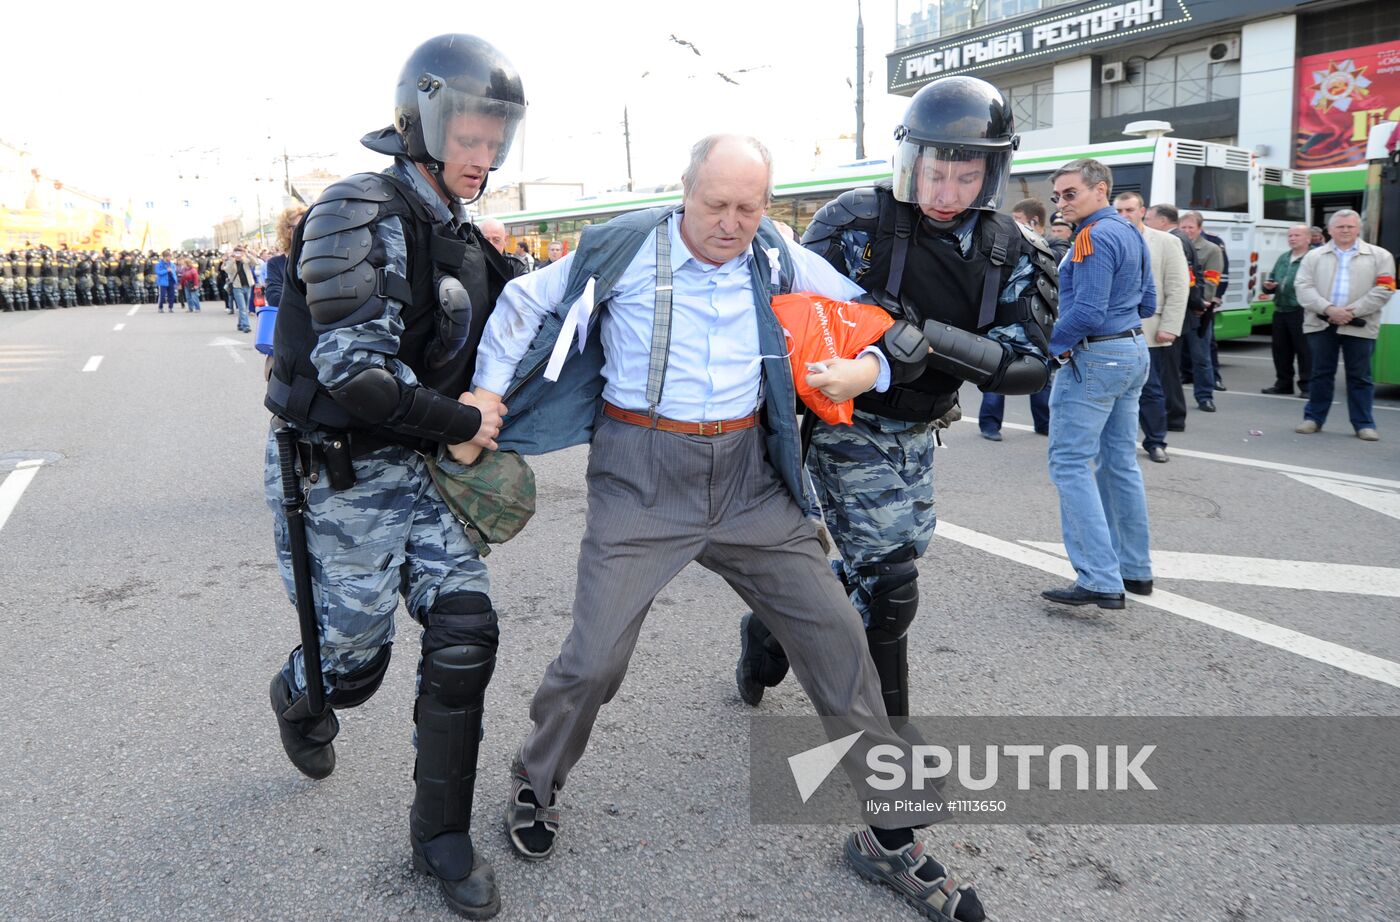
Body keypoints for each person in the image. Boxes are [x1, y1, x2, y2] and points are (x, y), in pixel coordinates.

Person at [469, 134, 987, 922]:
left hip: (749, 480)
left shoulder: (774, 251)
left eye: (749, 207)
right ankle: (535, 784)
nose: (731, 224)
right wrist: (484, 394)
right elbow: (521, 303)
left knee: (839, 639)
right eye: (716, 205)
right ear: (685, 192)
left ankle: (890, 837)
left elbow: (866, 318)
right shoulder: (624, 247)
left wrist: (869, 370)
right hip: (641, 479)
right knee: (594, 659)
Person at [263, 34, 524, 919]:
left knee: (466, 630)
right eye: (468, 135)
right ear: (421, 120)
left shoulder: (463, 234)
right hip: (341, 473)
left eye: (496, 139)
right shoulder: (353, 209)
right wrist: (463, 422)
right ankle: (303, 691)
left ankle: (440, 837)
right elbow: (353, 372)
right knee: (354, 666)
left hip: (426, 472)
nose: (481, 156)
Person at [737, 75, 1058, 737]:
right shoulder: (855, 223)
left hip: (920, 426)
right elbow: (789, 323)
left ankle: (771, 626)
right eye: (936, 174)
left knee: (894, 557)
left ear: (993, 172)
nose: (947, 195)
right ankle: (889, 740)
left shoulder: (1010, 246)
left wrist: (914, 342)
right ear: (911, 160)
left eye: (966, 178)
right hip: (846, 424)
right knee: (889, 585)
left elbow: (1028, 362)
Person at [1041, 158, 1155, 609]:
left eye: (1070, 194)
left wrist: (1048, 347)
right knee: (1120, 463)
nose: (1063, 203)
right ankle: (1134, 569)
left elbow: (1086, 311)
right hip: (1132, 349)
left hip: (1098, 354)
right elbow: (1146, 302)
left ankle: (1099, 577)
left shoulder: (1091, 236)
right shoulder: (1131, 231)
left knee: (1069, 463)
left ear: (1100, 190)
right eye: (1058, 196)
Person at [1294, 208, 1394, 441]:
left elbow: (1385, 289)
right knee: (1320, 373)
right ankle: (1313, 419)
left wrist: (1351, 312)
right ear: (1330, 230)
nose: (1345, 230)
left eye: (1350, 226)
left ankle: (1364, 424)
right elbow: (1303, 287)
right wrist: (1329, 309)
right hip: (1321, 323)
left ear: (1359, 229)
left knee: (1360, 376)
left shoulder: (1380, 256)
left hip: (1360, 324)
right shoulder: (1313, 256)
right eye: (1340, 227)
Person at [979, 196, 1063, 439]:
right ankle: (989, 425)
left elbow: (1055, 263)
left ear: (1034, 222)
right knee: (996, 372)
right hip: (1004, 322)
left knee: (1039, 376)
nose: (1012, 227)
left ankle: (1043, 423)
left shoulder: (1053, 246)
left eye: (1018, 222)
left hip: (1037, 323)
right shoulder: (1008, 245)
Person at [1115, 191, 1187, 463]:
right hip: (1112, 330)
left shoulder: (1166, 242)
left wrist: (1169, 325)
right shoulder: (1108, 236)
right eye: (1119, 210)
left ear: (1142, 211)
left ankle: (1155, 441)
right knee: (1113, 389)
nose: (1124, 215)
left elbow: (1178, 287)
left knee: (1151, 388)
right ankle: (1114, 442)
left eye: (1129, 210)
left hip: (1151, 329)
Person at [1143, 203, 1204, 432]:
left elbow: (1184, 281)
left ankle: (1173, 417)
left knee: (1167, 373)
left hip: (1174, 315)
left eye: (1149, 218)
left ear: (1162, 221)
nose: (1146, 222)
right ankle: (1170, 416)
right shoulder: (1177, 238)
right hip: (1178, 314)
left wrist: (1198, 305)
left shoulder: (1172, 240)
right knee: (1168, 371)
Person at [1176, 211, 1222, 412]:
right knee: (1174, 359)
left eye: (1190, 228)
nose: (1186, 231)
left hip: (1199, 311)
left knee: (1201, 357)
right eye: (1183, 227)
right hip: (1177, 310)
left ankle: (1205, 396)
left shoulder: (1211, 249)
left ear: (1199, 229)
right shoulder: (1174, 244)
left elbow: (1212, 281)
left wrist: (1202, 305)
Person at [1260, 224, 1313, 396]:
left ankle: (1308, 385)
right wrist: (1268, 286)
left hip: (1301, 309)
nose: (1292, 238)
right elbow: (1274, 278)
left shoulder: (1313, 257)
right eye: (1290, 236)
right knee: (1281, 350)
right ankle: (1283, 384)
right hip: (1281, 308)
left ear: (1308, 238)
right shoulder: (1284, 257)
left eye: (1297, 235)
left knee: (1304, 350)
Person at [222, 245, 261, 332]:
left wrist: (247, 254)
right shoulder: (231, 261)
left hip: (247, 286)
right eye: (236, 252)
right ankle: (246, 326)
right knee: (242, 308)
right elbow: (227, 270)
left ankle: (240, 324)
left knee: (245, 307)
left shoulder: (245, 260)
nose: (238, 254)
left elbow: (256, 262)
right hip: (237, 287)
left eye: (240, 252)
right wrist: (232, 260)